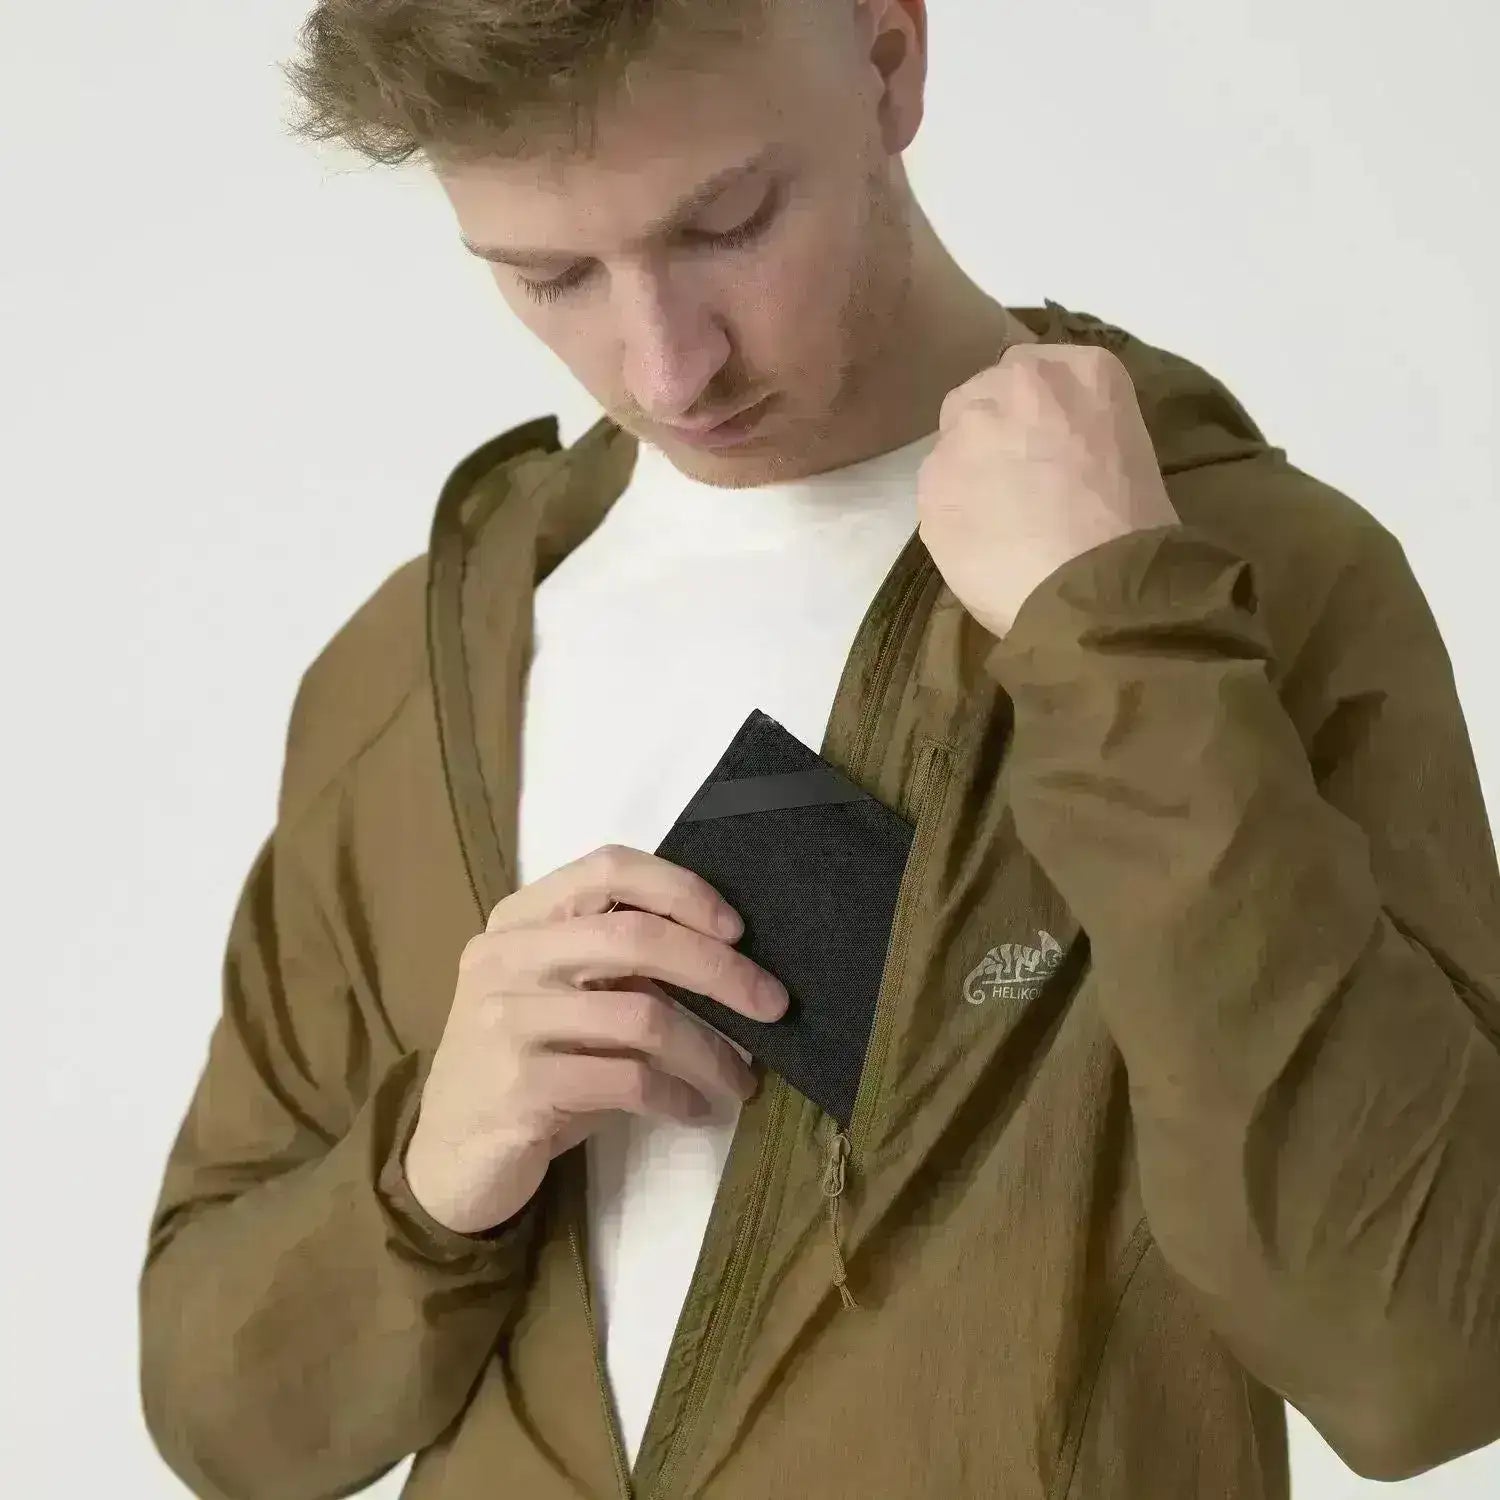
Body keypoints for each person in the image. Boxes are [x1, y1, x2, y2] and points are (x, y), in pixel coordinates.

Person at [138, 2, 1500, 1497]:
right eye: (551, 276)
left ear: (887, 57)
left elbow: (1426, 1356)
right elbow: (225, 1427)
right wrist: (428, 1176)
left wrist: (1121, 642)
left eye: (727, 222)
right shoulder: (418, 661)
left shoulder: (1248, 579)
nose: (667, 369)